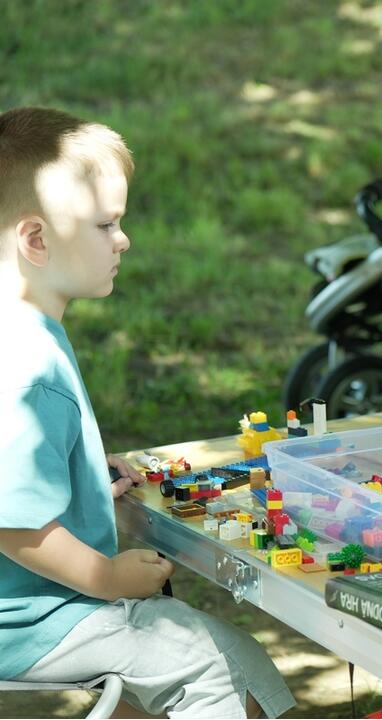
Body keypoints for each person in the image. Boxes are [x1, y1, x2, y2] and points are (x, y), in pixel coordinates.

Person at [0, 107, 296, 718]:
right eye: (106, 224)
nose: (124, 239)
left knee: (233, 657)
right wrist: (107, 579)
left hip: (38, 608)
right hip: (34, 621)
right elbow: (15, 527)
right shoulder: (26, 364)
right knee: (201, 664)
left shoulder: (22, 331)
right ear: (36, 239)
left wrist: (81, 476)